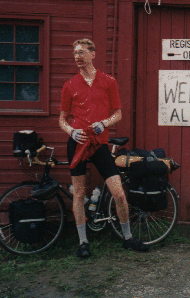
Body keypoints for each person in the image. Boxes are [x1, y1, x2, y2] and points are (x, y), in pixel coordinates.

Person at [59, 38, 149, 258]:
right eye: (75, 53)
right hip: (78, 142)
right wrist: (71, 131)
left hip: (99, 143)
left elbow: (118, 114)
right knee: (79, 194)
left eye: (81, 52)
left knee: (119, 193)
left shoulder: (108, 81)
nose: (77, 57)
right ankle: (83, 242)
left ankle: (128, 238)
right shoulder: (70, 85)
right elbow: (62, 119)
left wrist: (104, 124)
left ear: (93, 54)